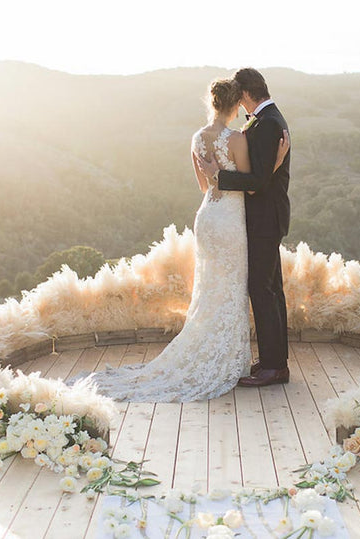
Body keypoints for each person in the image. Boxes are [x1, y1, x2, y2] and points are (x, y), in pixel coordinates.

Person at [70, 77, 289, 402]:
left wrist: (216, 174)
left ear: (211, 102)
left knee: (212, 288)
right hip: (231, 221)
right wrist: (276, 162)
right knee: (233, 289)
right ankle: (233, 358)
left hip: (208, 217)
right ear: (234, 103)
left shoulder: (197, 139)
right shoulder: (237, 139)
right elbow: (253, 184)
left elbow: (205, 187)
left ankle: (224, 354)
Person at [196, 68, 291, 387]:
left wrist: (218, 176)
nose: (237, 102)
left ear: (247, 95)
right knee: (270, 287)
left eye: (240, 96)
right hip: (262, 216)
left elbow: (258, 182)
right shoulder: (265, 120)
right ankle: (273, 360)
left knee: (262, 288)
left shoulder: (267, 124)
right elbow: (263, 174)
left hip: (264, 217)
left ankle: (274, 367)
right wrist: (272, 168)